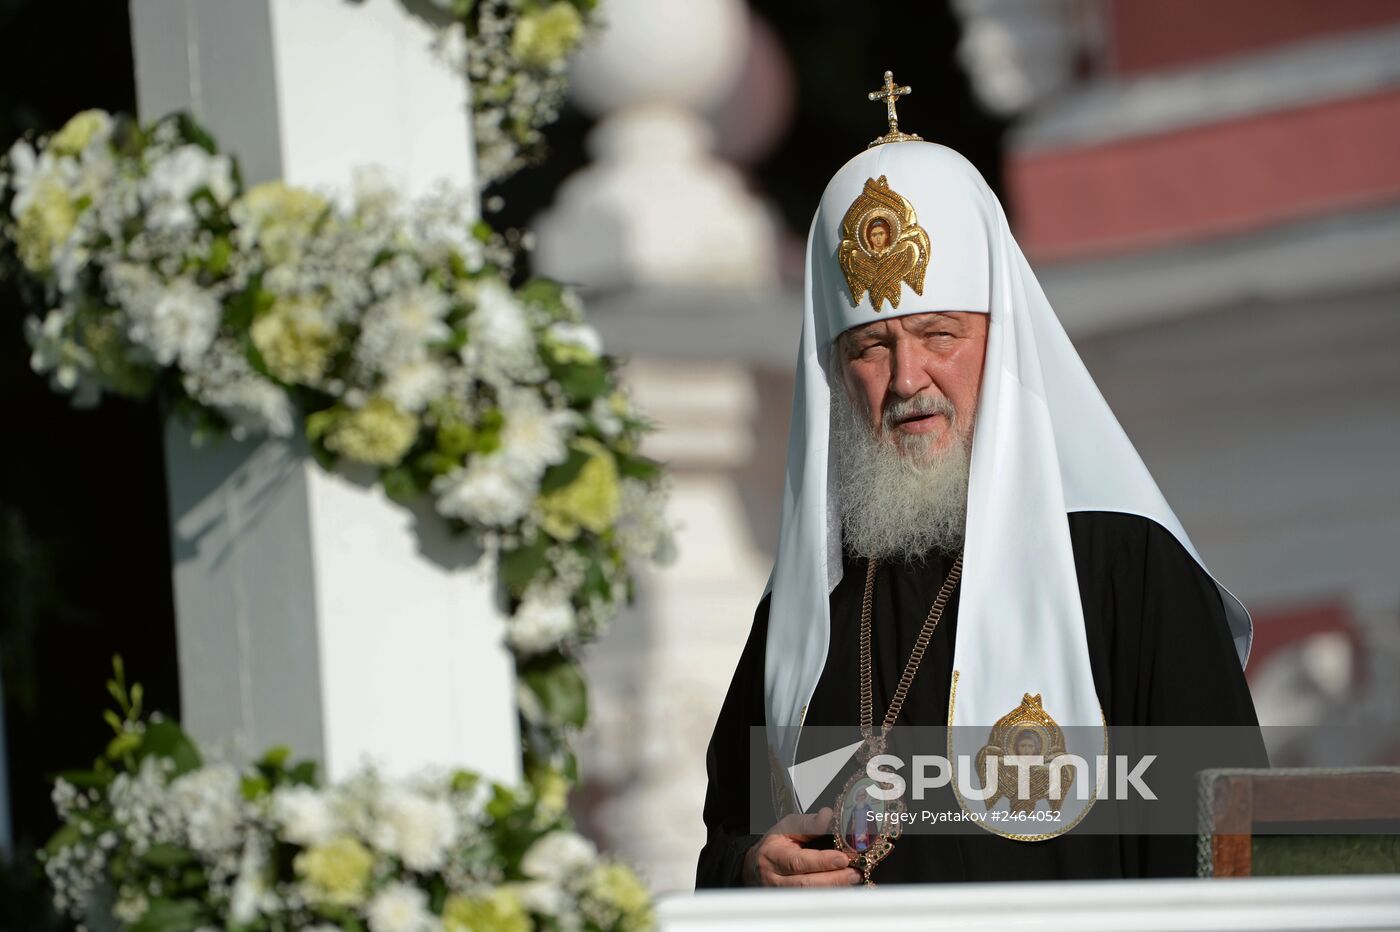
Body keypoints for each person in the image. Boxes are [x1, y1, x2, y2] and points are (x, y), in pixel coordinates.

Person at [696, 98, 1264, 889]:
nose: (906, 380)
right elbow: (730, 834)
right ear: (833, 374)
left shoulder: (1127, 566)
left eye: (940, 335)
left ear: (1001, 343)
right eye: (870, 347)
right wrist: (751, 867)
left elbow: (1230, 846)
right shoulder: (808, 603)